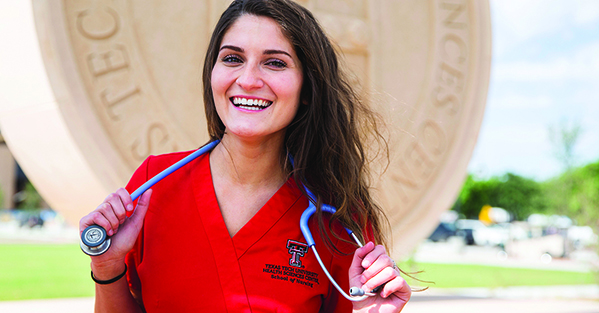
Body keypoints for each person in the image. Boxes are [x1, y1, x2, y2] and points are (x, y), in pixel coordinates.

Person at [79, 0, 411, 312]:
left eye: (275, 62)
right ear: (212, 73)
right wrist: (107, 266)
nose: (248, 80)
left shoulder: (338, 219)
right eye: (232, 58)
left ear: (307, 89)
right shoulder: (153, 185)